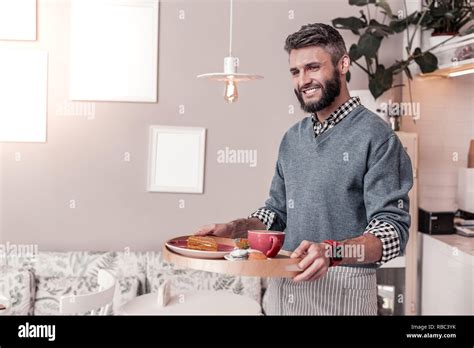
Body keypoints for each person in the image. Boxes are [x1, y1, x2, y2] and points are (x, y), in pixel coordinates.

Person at [194, 23, 413, 315]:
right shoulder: (292, 138)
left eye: (312, 67)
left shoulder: (377, 137)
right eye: (295, 72)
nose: (303, 81)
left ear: (343, 64)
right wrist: (234, 230)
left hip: (344, 293)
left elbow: (392, 232)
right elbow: (276, 213)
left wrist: (332, 252)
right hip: (284, 290)